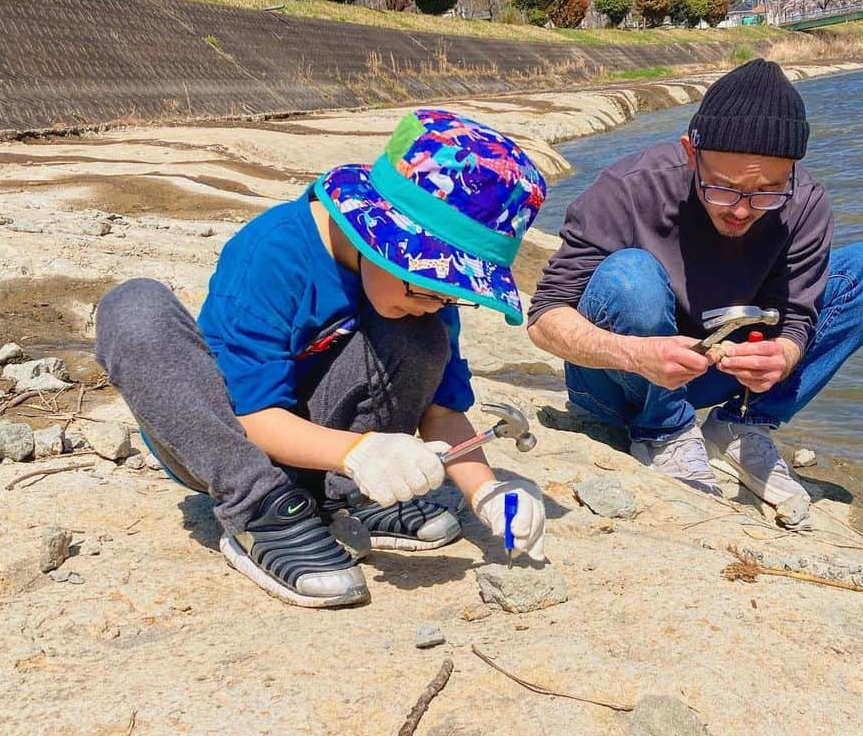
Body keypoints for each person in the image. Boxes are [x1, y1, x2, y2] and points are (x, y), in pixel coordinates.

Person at [96, 109, 548, 608]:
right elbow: (250, 412)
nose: (434, 303)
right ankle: (261, 513)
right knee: (134, 309)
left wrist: (485, 493)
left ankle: (341, 496)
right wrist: (361, 453)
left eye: (450, 296)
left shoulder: (422, 296)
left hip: (332, 448)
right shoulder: (273, 253)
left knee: (422, 337)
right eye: (428, 286)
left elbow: (440, 410)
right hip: (231, 437)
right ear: (380, 237)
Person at [527, 59, 863, 508]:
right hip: (619, 381)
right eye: (722, 188)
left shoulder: (805, 202)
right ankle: (663, 432)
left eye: (767, 191)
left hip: (712, 374)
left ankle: (743, 424)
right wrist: (636, 354)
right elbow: (544, 318)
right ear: (691, 153)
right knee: (632, 279)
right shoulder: (628, 187)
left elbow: (800, 314)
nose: (742, 210)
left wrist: (783, 356)